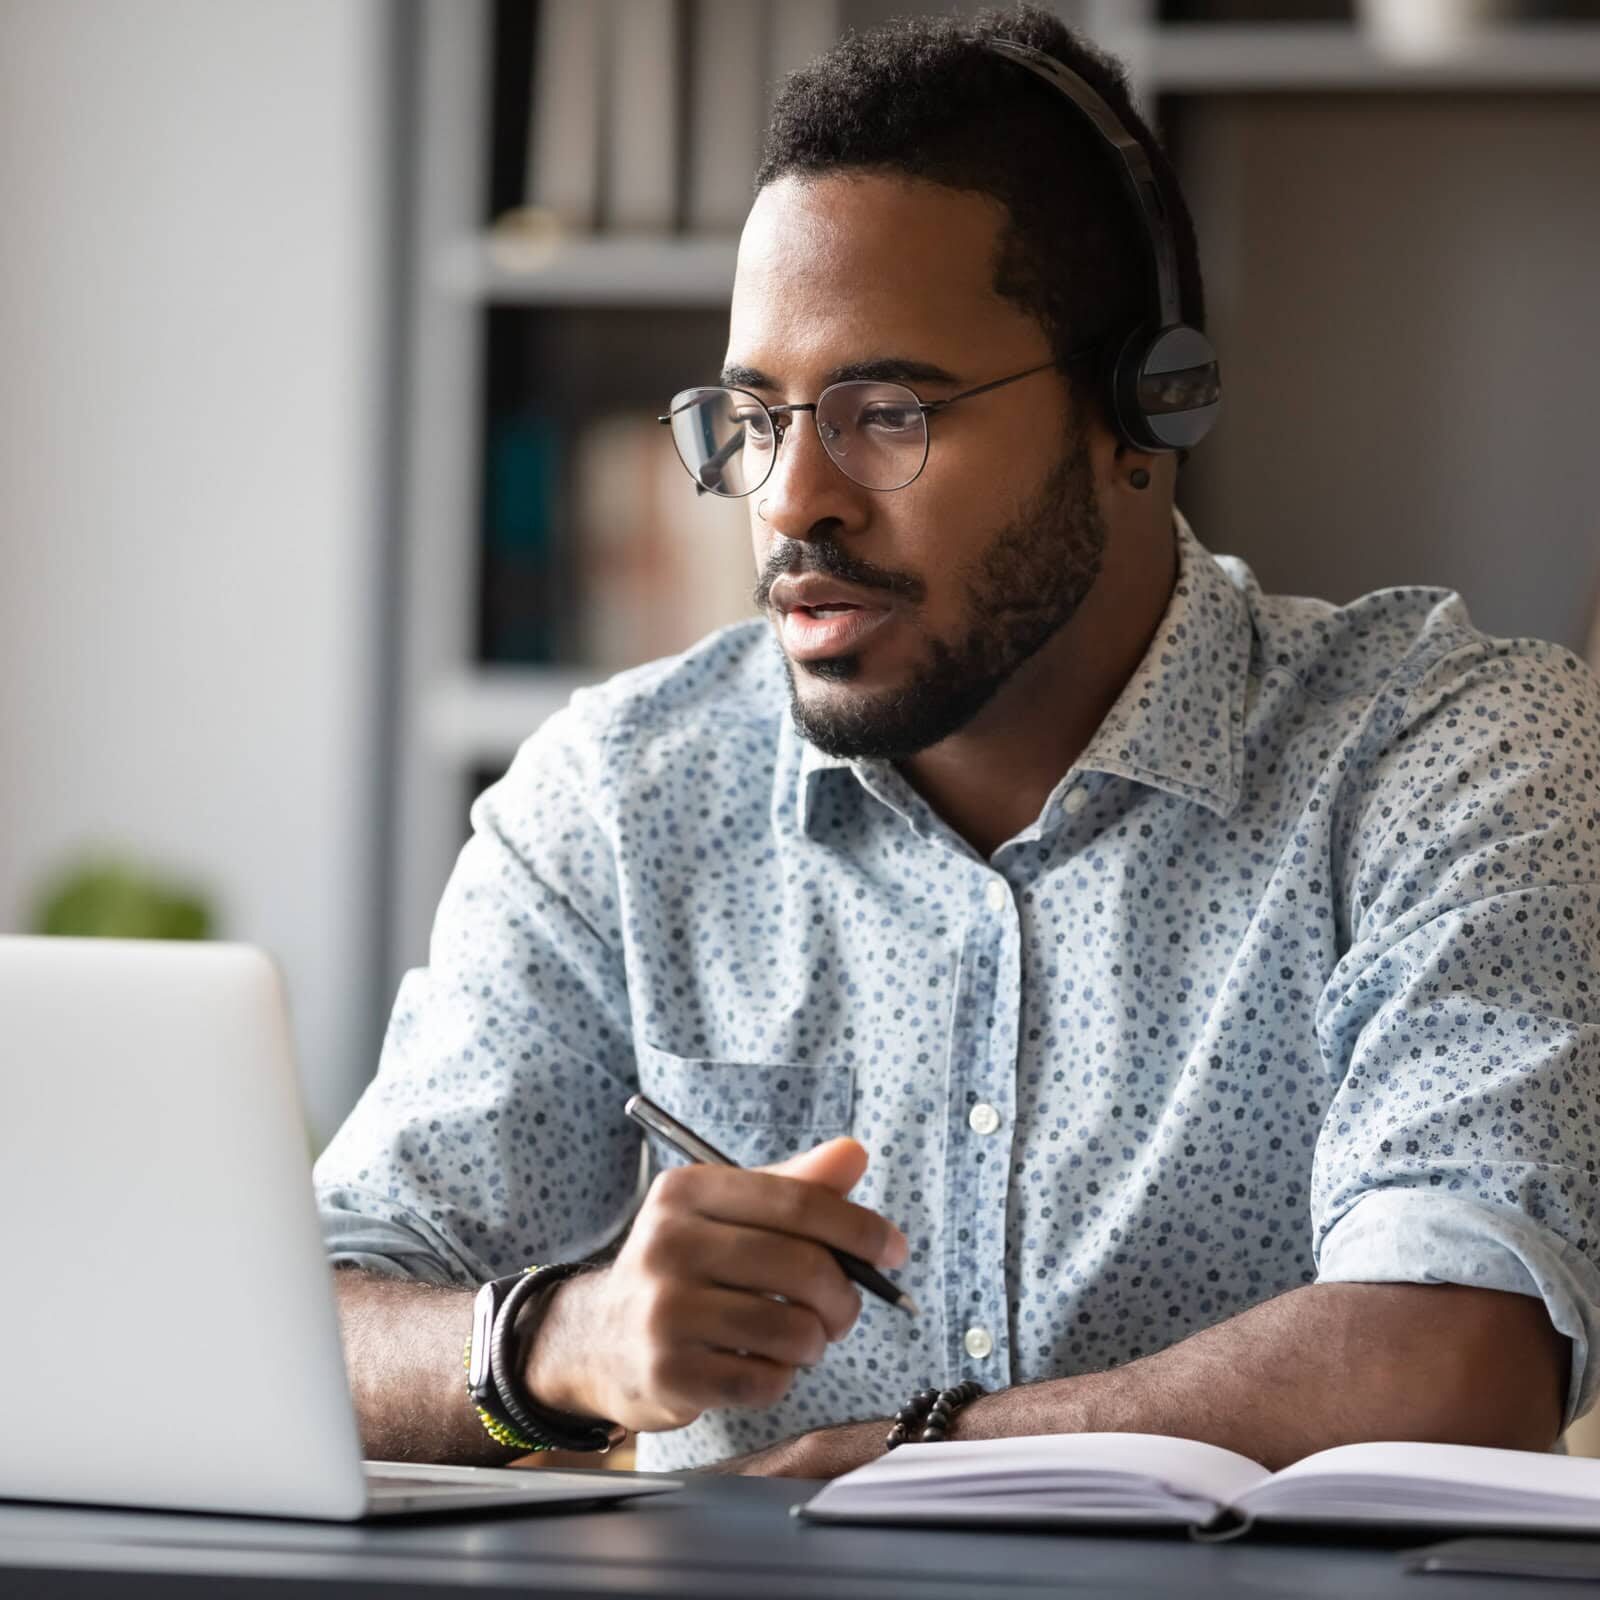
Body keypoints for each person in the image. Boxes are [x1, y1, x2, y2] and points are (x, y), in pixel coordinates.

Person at [315, 4, 1600, 1478]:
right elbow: (312, 1325)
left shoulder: (1445, 754)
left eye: (886, 412)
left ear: (1145, 407)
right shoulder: (621, 800)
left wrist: (917, 1453)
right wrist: (559, 1343)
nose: (794, 499)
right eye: (754, 416)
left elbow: (1456, 1355)